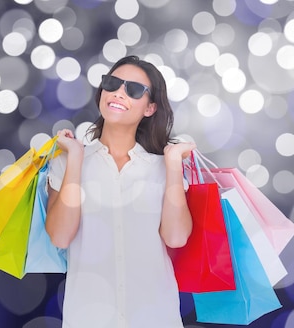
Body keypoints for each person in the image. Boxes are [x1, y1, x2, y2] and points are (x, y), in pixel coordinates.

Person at [45, 55, 195, 328]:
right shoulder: (67, 162)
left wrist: (173, 165)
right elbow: (60, 236)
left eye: (134, 90)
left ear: (150, 108)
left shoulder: (164, 168)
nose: (118, 93)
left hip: (156, 318)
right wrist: (76, 158)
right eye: (112, 83)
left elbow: (175, 238)